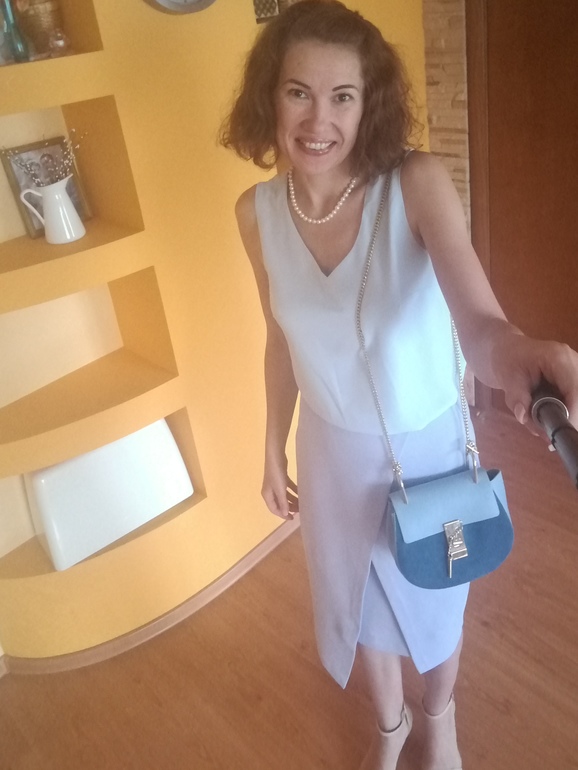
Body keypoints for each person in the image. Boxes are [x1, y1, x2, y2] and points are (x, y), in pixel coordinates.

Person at [220, 2, 578, 768]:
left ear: (369, 102)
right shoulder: (256, 214)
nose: (319, 120)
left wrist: (518, 353)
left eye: (342, 96)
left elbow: (481, 325)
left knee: (438, 594)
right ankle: (390, 727)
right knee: (360, 605)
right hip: (330, 452)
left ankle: (439, 719)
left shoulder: (413, 184)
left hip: (427, 446)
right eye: (298, 92)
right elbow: (280, 341)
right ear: (269, 96)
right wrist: (272, 447)